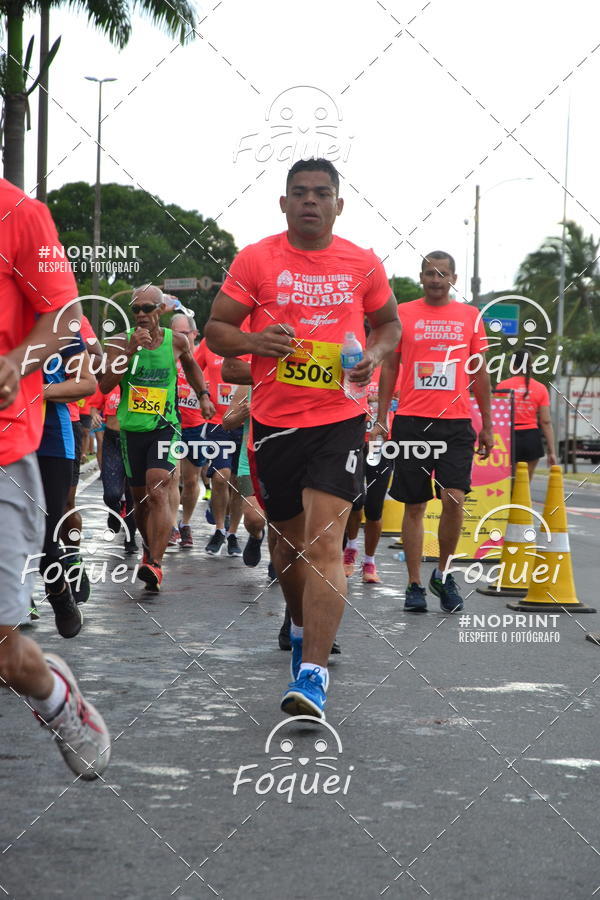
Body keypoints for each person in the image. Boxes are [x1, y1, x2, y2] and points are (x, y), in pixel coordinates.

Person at [205, 157, 401, 719]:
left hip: (339, 418)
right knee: (287, 547)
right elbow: (217, 329)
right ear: (283, 202)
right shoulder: (257, 258)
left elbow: (388, 326)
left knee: (323, 545)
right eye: (300, 193)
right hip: (274, 423)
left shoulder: (362, 263)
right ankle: (298, 624)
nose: (310, 201)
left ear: (339, 204)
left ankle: (313, 674)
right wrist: (254, 341)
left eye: (321, 193)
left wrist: (375, 357)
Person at [0, 176, 110, 778]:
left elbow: (66, 321)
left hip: (22, 437)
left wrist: (19, 364)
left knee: (58, 531)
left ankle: (54, 695)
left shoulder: (23, 215)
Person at [377, 252, 493, 613]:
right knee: (414, 505)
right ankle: (414, 583)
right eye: (429, 273)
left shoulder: (470, 316)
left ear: (453, 278)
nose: (436, 279)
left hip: (456, 423)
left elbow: (480, 372)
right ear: (421, 276)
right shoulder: (404, 313)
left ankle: (443, 574)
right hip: (412, 420)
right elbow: (390, 368)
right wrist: (382, 416)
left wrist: (487, 423)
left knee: (454, 499)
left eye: (442, 274)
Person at [98, 285, 210, 590]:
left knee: (158, 485)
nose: (141, 315)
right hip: (131, 430)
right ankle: (149, 549)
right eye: (136, 309)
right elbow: (105, 385)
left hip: (165, 426)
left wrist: (203, 395)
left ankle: (155, 564)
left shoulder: (177, 341)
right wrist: (130, 350)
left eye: (148, 308)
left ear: (161, 310)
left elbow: (192, 368)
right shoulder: (119, 341)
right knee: (140, 501)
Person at [36, 333, 96, 635]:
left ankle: (59, 593)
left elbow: (87, 382)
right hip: (7, 436)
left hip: (51, 440)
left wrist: (39, 391)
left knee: (45, 535)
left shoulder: (59, 325)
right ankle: (18, 599)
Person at [343, 362, 399, 584]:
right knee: (355, 502)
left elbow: (405, 402)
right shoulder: (352, 366)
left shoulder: (396, 368)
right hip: (354, 441)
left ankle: (370, 562)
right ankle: (350, 550)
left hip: (382, 444)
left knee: (375, 508)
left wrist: (389, 403)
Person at [195, 337, 244, 557]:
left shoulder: (254, 336)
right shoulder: (211, 341)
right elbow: (193, 367)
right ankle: (219, 529)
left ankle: (232, 533)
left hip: (247, 423)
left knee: (238, 482)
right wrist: (203, 395)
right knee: (220, 477)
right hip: (218, 423)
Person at [171, 312, 215, 548]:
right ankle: (169, 526)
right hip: (171, 424)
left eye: (184, 333)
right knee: (171, 478)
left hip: (196, 426)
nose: (180, 338)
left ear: (194, 334)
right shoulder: (167, 354)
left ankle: (185, 524)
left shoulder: (203, 356)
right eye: (175, 333)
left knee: (190, 482)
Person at [496, 349, 557, 480]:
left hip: (507, 439)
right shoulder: (541, 388)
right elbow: (545, 421)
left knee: (508, 482)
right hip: (531, 439)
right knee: (524, 485)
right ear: (531, 365)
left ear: (513, 366)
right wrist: (552, 451)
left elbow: (495, 417)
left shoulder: (502, 386)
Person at [97, 384, 138, 553]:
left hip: (135, 439)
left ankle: (130, 538)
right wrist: (93, 412)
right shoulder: (111, 380)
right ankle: (114, 510)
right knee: (111, 493)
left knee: (132, 495)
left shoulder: (140, 382)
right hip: (112, 440)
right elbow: (94, 402)